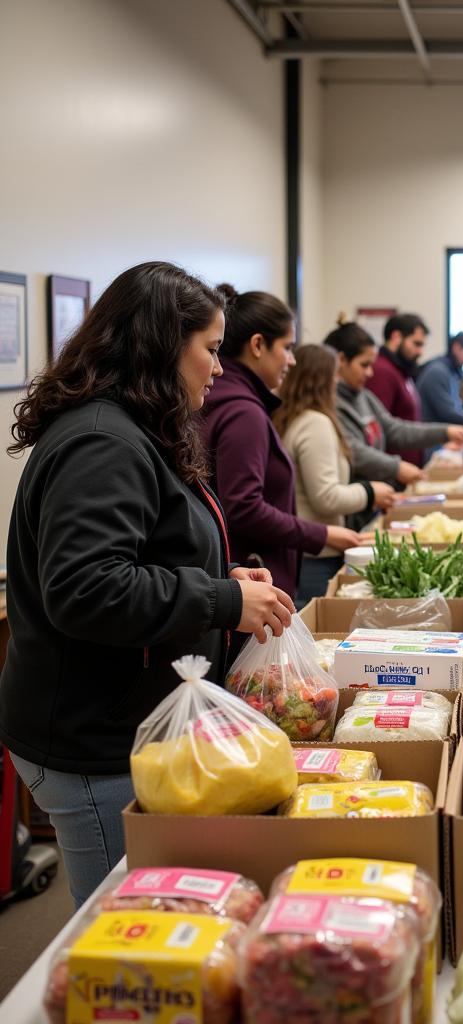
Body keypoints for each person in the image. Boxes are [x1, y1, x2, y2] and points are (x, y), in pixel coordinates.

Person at [0, 262, 295, 907]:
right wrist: (221, 599)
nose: (219, 369)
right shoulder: (104, 441)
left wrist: (222, 580)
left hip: (121, 723)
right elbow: (87, 588)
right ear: (163, 345)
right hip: (93, 738)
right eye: (211, 350)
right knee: (126, 922)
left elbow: (144, 553)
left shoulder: (131, 426)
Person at [202, 286, 360, 601]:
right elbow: (244, 506)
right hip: (251, 581)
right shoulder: (243, 411)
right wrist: (323, 534)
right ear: (258, 345)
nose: (291, 361)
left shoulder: (227, 399)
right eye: (287, 348)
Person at [275, 344, 397, 605]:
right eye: (334, 377)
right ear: (322, 380)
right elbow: (325, 496)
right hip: (317, 555)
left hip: (308, 549)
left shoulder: (291, 418)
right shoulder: (315, 423)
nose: (336, 384)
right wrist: (370, 491)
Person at [323, 318, 463, 521]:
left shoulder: (363, 395)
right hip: (352, 509)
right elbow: (353, 449)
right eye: (364, 365)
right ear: (341, 360)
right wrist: (396, 467)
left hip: (371, 505)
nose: (369, 373)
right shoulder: (332, 403)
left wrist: (444, 432)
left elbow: (394, 429)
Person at [367, 312, 429, 465]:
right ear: (396, 337)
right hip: (394, 472)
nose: (420, 351)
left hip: (407, 469)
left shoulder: (401, 370)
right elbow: (382, 430)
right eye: (416, 344)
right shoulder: (382, 371)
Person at [417, 331, 463, 428]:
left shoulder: (451, 372)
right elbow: (448, 413)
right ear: (456, 347)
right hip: (433, 437)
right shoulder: (437, 372)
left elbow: (459, 407)